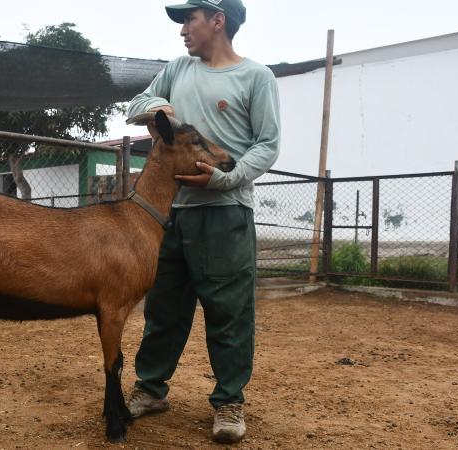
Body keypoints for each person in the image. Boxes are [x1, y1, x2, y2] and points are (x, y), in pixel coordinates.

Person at [126, 0, 280, 444]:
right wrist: (160, 108)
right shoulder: (177, 69)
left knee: (229, 313)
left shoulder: (256, 77)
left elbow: (267, 145)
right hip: (170, 214)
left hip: (225, 213)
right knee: (163, 308)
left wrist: (225, 178)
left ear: (218, 20)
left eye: (189, 20)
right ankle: (150, 389)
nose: (182, 31)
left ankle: (229, 401)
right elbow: (138, 102)